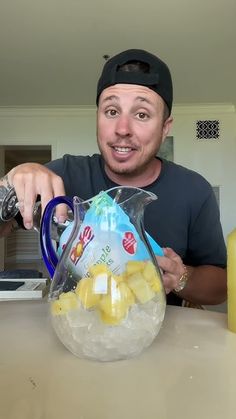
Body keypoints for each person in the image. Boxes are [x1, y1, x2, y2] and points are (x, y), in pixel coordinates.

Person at [0, 49, 227, 306]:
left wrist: (183, 277)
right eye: (111, 111)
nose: (122, 129)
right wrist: (8, 186)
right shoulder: (64, 174)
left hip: (163, 339)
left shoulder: (194, 191)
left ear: (165, 128)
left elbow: (221, 286)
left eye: (141, 114)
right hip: (73, 336)